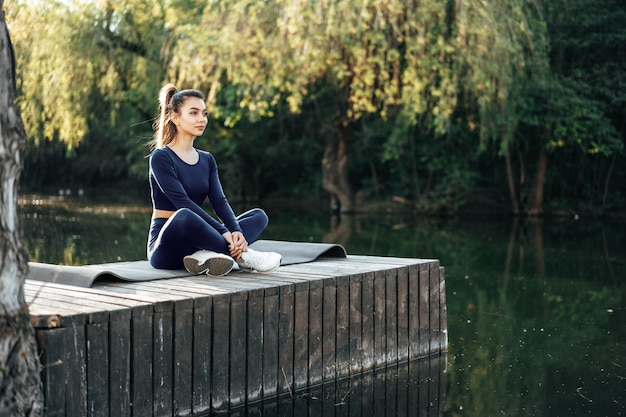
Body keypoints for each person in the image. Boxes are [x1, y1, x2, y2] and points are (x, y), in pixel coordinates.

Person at [147, 83, 281, 276]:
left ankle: (207, 253)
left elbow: (219, 201)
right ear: (174, 117)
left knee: (258, 216)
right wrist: (223, 232)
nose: (201, 119)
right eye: (193, 113)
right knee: (184, 214)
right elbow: (182, 202)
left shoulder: (207, 159)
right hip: (166, 247)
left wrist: (236, 231)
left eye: (204, 113)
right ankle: (244, 256)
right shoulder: (161, 157)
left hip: (198, 240)